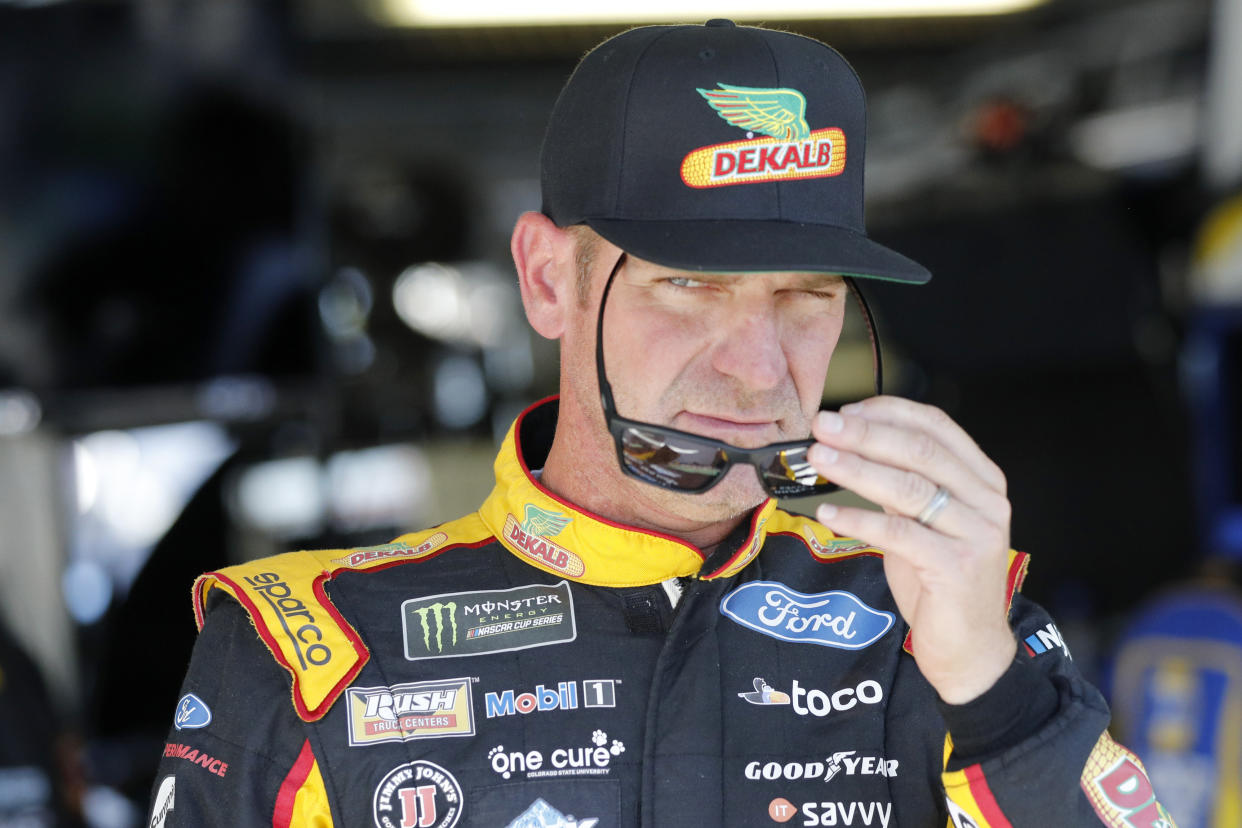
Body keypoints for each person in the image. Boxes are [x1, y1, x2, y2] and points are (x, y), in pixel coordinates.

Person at [148, 21, 1177, 827]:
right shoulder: (307, 648)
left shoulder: (944, 613)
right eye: (688, 285)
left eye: (806, 296)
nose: (757, 366)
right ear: (549, 280)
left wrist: (994, 695)